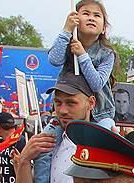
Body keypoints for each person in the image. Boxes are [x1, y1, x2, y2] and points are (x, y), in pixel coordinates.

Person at [48, 0, 116, 129]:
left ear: (104, 28)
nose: (91, 18)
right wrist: (67, 30)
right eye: (85, 13)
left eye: (97, 15)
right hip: (67, 113)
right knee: (47, 142)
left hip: (99, 115)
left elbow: (97, 84)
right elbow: (54, 60)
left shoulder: (107, 54)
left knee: (103, 139)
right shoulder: (66, 45)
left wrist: (82, 55)